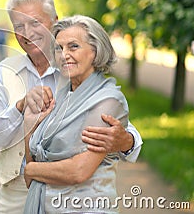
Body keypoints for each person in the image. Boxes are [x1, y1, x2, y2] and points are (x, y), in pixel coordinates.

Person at [0, 0, 143, 213]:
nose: (27, 32)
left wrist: (126, 141)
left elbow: (117, 123)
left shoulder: (75, 70)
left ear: (54, 22)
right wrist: (19, 107)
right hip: (16, 188)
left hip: (70, 193)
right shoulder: (3, 71)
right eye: (19, 26)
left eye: (35, 22)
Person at [23, 15, 130, 213]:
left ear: (95, 51)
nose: (64, 55)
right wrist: (30, 127)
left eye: (73, 47)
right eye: (58, 48)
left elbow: (79, 170)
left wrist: (31, 170)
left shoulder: (108, 101)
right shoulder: (60, 97)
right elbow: (32, 177)